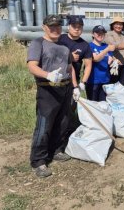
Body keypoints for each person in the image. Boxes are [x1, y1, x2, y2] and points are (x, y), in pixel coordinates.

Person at [27, 14, 79, 178]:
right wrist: (48, 75)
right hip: (47, 89)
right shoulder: (38, 43)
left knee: (62, 123)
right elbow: (32, 66)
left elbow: (70, 68)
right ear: (44, 27)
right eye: (52, 26)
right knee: (44, 126)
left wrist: (76, 87)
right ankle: (39, 161)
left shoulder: (64, 47)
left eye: (58, 26)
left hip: (65, 89)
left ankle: (56, 150)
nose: (55, 29)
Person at [58, 15, 92, 90]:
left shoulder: (85, 45)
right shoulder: (59, 39)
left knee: (73, 101)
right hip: (57, 78)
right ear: (68, 27)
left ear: (82, 29)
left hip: (74, 81)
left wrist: (83, 82)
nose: (77, 29)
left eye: (79, 27)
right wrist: (69, 56)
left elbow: (88, 65)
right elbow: (52, 55)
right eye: (74, 26)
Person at [86, 25, 116, 101]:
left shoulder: (105, 45)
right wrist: (106, 50)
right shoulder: (90, 46)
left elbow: (110, 59)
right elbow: (96, 59)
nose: (100, 35)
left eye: (102, 33)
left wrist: (115, 62)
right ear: (93, 34)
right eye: (98, 33)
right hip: (93, 81)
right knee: (93, 103)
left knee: (103, 104)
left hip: (105, 79)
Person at [106, 16, 124, 86]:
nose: (118, 26)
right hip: (115, 64)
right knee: (113, 85)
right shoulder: (109, 34)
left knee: (122, 85)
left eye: (120, 24)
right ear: (112, 25)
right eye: (116, 24)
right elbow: (113, 45)